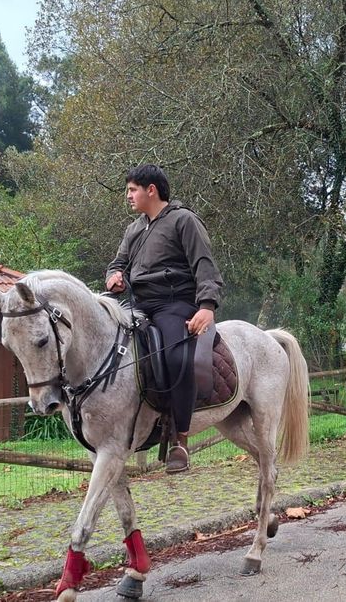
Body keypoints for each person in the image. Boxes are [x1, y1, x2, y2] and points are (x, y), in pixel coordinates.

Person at [106, 165, 224, 473]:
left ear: (151, 190)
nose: (128, 196)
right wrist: (114, 277)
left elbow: (204, 266)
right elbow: (116, 263)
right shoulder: (134, 229)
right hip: (139, 304)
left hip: (175, 305)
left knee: (173, 357)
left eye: (132, 189)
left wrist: (206, 306)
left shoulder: (184, 221)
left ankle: (179, 439)